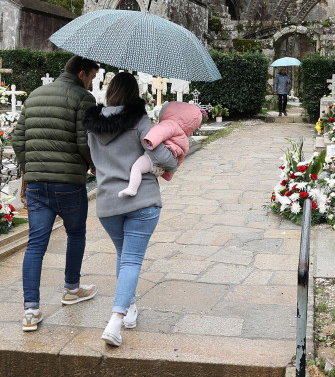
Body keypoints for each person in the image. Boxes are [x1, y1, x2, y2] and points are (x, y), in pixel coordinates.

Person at [83, 72, 177, 347]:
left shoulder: (93, 124)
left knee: (124, 256)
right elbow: (162, 158)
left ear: (110, 92)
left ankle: (130, 308)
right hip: (142, 201)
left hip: (108, 203)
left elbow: (92, 159)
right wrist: (174, 154)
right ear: (134, 94)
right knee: (132, 260)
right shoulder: (139, 119)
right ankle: (116, 319)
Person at [13, 56, 100, 333]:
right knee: (76, 234)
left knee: (36, 243)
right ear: (83, 74)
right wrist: (94, 167)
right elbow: (83, 141)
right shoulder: (83, 98)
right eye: (92, 78)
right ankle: (71, 289)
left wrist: (31, 169)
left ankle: (31, 310)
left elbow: (17, 139)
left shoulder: (35, 95)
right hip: (69, 182)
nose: (92, 83)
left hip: (37, 183)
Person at [120, 101, 203, 196]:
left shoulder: (170, 124)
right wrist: (169, 173)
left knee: (136, 168)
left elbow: (160, 132)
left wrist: (150, 140)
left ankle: (132, 188)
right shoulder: (184, 137)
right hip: (162, 167)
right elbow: (180, 157)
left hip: (152, 159)